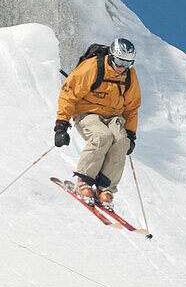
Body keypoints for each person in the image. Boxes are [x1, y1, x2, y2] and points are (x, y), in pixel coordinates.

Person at [54, 37, 141, 209]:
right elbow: (69, 93)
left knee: (121, 142)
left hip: (113, 116)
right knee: (102, 137)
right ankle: (84, 182)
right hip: (87, 112)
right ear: (111, 56)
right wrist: (61, 124)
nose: (121, 68)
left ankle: (105, 189)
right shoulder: (93, 67)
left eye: (126, 63)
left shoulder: (129, 75)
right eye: (118, 61)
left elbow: (132, 107)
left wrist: (131, 134)